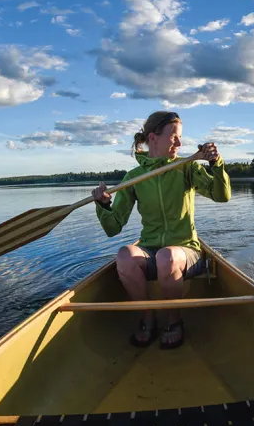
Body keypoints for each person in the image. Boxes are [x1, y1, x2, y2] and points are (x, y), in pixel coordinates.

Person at [91, 110, 231, 349]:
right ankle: (147, 316)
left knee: (167, 256)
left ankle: (174, 320)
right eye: (174, 136)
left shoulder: (186, 168)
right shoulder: (134, 177)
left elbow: (222, 196)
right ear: (153, 138)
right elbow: (113, 227)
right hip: (151, 251)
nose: (180, 142)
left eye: (180, 137)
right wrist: (103, 204)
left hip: (186, 250)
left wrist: (215, 164)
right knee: (124, 256)